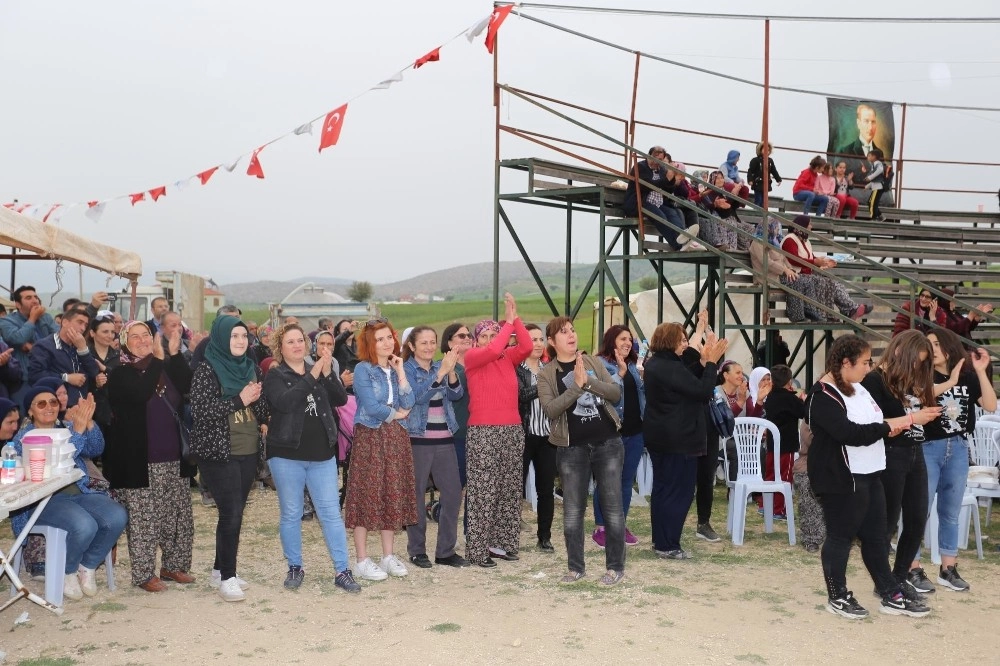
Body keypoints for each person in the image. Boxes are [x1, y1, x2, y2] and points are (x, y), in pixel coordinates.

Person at [805, 334, 938, 619]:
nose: (869, 368)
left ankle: (890, 592)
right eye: (865, 362)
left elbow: (877, 424)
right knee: (841, 537)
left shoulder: (858, 388)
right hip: (842, 477)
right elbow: (851, 434)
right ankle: (837, 596)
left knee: (877, 537)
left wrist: (905, 421)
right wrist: (908, 421)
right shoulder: (822, 395)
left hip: (870, 473)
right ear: (845, 362)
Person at [261, 323, 362, 594]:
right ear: (280, 348)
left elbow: (340, 399)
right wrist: (314, 373)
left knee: (330, 513)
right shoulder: (275, 375)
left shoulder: (317, 369)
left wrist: (328, 375)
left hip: (322, 454)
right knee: (292, 513)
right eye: (290, 342)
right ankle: (295, 566)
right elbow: (286, 402)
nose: (296, 346)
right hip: (286, 455)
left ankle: (342, 570)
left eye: (300, 341)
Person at [10, 388, 127, 602]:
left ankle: (87, 565)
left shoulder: (67, 427)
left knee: (117, 515)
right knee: (84, 525)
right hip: (43, 501)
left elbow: (96, 448)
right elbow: (54, 465)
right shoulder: (24, 438)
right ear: (31, 411)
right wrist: (78, 431)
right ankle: (67, 570)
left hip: (78, 492)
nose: (49, 407)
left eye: (53, 402)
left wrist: (88, 421)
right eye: (42, 404)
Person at [105, 321, 196, 592]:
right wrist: (157, 359)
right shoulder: (119, 374)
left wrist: (175, 353)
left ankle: (174, 565)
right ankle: (144, 575)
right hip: (139, 461)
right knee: (145, 520)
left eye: (146, 334)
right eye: (135, 336)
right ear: (124, 343)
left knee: (177, 516)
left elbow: (187, 385)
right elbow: (140, 393)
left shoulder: (165, 365)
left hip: (174, 455)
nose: (143, 340)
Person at [537, 317, 625, 585]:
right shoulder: (546, 373)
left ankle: (615, 568)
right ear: (552, 342)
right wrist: (576, 386)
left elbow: (614, 393)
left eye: (573, 330)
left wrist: (587, 381)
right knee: (573, 511)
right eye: (563, 332)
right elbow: (551, 410)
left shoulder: (593, 362)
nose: (571, 335)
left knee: (612, 509)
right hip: (571, 449)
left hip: (608, 443)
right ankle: (575, 567)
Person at [190, 315, 270, 602]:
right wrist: (240, 399)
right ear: (222, 338)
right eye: (234, 336)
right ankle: (228, 578)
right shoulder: (206, 370)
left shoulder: (250, 367)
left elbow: (258, 408)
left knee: (235, 511)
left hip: (247, 449)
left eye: (244, 336)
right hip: (218, 452)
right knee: (231, 512)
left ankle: (218, 569)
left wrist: (259, 399)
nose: (240, 341)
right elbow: (200, 412)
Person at [910, 329, 996, 593]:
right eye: (929, 344)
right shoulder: (920, 376)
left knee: (950, 511)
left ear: (948, 346)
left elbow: (991, 406)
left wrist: (981, 372)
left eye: (936, 343)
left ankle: (948, 568)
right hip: (927, 447)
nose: (932, 348)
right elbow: (921, 397)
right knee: (918, 510)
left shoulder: (969, 377)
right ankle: (911, 567)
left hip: (958, 447)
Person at [860, 331, 938, 601]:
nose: (917, 367)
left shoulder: (911, 381)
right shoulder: (873, 380)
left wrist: (925, 415)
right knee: (887, 522)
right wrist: (912, 418)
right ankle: (884, 582)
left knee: (917, 518)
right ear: (898, 352)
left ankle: (899, 577)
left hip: (915, 452)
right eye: (914, 361)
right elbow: (877, 425)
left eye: (921, 363)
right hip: (890, 455)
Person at [643, 322, 727, 560]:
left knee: (663, 490)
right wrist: (711, 362)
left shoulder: (659, 364)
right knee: (678, 493)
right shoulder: (668, 366)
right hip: (677, 439)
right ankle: (668, 544)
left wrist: (704, 362)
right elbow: (701, 391)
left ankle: (662, 541)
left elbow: (688, 381)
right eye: (681, 340)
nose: (685, 344)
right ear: (670, 341)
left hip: (664, 437)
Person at [345, 318, 417, 581]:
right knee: (366, 494)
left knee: (391, 492)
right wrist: (397, 415)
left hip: (396, 438)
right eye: (380, 339)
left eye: (389, 337)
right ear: (370, 344)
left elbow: (410, 399)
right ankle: (362, 560)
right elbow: (371, 405)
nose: (387, 343)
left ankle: (388, 555)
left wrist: (400, 372)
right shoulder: (364, 369)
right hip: (372, 435)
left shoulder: (395, 366)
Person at [463, 293, 532, 568]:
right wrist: (506, 327)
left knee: (508, 489)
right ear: (476, 340)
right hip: (484, 431)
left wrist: (516, 320)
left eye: (495, 333)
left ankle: (501, 544)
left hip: (512, 429)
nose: (491, 339)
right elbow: (492, 350)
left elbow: (525, 346)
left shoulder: (507, 358)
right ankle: (478, 549)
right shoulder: (473, 357)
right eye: (485, 335)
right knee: (484, 490)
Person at [401, 326, 469, 569]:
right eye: (423, 343)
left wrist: (450, 373)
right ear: (412, 346)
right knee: (416, 496)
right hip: (418, 440)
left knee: (452, 494)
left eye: (432, 342)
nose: (429, 347)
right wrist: (439, 373)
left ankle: (445, 551)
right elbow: (416, 397)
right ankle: (417, 550)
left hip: (445, 438)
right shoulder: (406, 370)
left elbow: (456, 394)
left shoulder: (441, 366)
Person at [593, 324, 645, 549]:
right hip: (610, 432)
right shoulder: (599, 364)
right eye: (623, 339)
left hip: (634, 432)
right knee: (606, 481)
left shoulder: (633, 364)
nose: (627, 343)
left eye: (629, 339)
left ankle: (619, 525)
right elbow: (602, 393)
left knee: (625, 481)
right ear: (612, 340)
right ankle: (602, 528)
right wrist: (620, 374)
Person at [782, 215, 872, 321]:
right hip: (794, 274)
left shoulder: (805, 241)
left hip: (806, 273)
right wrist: (815, 262)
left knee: (833, 282)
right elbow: (794, 259)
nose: (811, 226)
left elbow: (810, 257)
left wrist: (823, 263)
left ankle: (851, 309)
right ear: (802, 226)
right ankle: (828, 314)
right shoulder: (790, 240)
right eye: (809, 224)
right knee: (823, 281)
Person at [516, 323, 556, 553]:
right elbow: (521, 395)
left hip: (547, 436)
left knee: (546, 490)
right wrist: (543, 381)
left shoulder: (549, 367)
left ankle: (545, 537)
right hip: (524, 435)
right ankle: (511, 536)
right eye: (533, 339)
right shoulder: (517, 369)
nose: (539, 344)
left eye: (541, 339)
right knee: (516, 489)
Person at [749, 215, 824, 323]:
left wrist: (791, 270)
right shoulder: (758, 242)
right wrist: (785, 270)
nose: (777, 230)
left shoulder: (774, 242)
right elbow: (767, 262)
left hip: (780, 275)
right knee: (796, 281)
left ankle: (810, 311)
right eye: (775, 228)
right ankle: (796, 316)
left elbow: (784, 259)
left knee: (808, 280)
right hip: (768, 277)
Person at [27, 307, 100, 408]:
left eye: (85, 325)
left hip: (82, 405)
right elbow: (35, 375)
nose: (83, 328)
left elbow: (94, 372)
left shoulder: (81, 345)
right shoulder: (43, 346)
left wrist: (83, 349)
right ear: (65, 322)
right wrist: (66, 377)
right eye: (80, 322)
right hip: (57, 407)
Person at [759, 365, 804, 520]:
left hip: (772, 444)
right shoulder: (790, 398)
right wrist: (801, 399)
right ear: (789, 380)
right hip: (787, 445)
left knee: (770, 475)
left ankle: (765, 506)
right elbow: (803, 412)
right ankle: (779, 510)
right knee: (784, 478)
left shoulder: (770, 397)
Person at [0, 285, 59, 397]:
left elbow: (59, 339)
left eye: (35, 297)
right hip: (23, 380)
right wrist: (32, 318)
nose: (34, 300)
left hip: (48, 374)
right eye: (28, 298)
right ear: (18, 304)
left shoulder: (45, 317)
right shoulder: (6, 321)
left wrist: (34, 348)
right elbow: (18, 338)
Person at [88, 312, 120, 435]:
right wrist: (95, 384)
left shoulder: (119, 357)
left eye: (112, 332)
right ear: (92, 333)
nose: (110, 336)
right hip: (92, 414)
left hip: (114, 414)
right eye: (105, 332)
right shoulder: (84, 356)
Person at [835, 103, 881, 184]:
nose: (870, 127)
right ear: (858, 123)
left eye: (873, 122)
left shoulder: (880, 153)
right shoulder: (844, 151)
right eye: (866, 121)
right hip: (853, 190)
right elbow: (840, 174)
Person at [747, 141, 782, 207]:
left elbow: (774, 171)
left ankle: (763, 214)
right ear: (760, 150)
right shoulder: (755, 160)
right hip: (758, 183)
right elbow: (750, 171)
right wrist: (750, 180)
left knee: (764, 201)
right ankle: (757, 213)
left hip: (766, 184)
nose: (767, 151)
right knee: (758, 200)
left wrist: (778, 179)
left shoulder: (770, 161)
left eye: (768, 150)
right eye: (764, 149)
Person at [863, 148, 887, 221]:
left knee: (872, 203)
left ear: (874, 156)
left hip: (878, 187)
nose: (868, 157)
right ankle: (880, 216)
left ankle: (873, 218)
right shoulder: (874, 165)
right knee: (871, 202)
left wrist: (870, 177)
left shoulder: (878, 163)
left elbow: (880, 170)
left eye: (869, 156)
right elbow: (875, 179)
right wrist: (868, 186)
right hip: (875, 187)